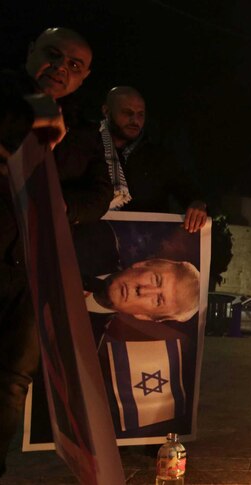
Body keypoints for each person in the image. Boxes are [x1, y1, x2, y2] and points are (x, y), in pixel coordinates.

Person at [0, 27, 98, 477]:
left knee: (12, 381)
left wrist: (65, 205)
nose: (60, 68)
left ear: (84, 78)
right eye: (52, 56)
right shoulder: (6, 93)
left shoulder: (83, 132)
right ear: (30, 53)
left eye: (74, 65)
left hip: (33, 273)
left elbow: (100, 192)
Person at [99, 86, 207, 233]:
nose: (135, 120)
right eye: (127, 112)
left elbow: (189, 191)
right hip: (92, 241)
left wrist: (198, 204)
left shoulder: (158, 157)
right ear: (106, 111)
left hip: (146, 246)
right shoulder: (87, 147)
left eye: (140, 114)